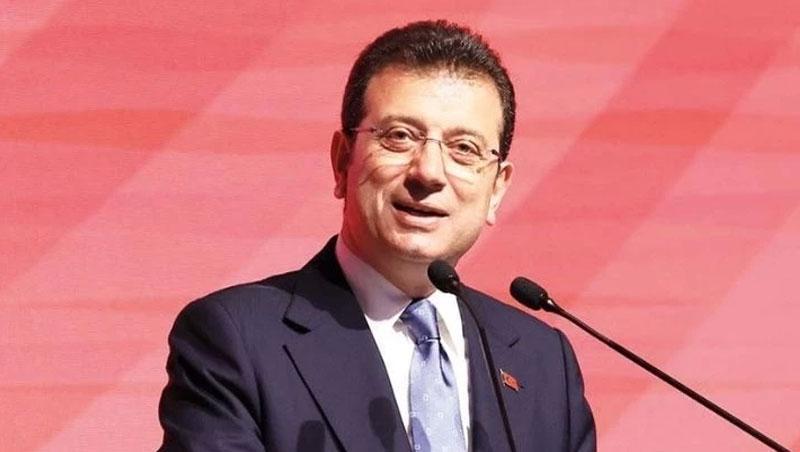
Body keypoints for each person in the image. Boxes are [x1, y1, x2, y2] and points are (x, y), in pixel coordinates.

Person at [158, 20, 596, 452]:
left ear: (497, 188)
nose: (429, 172)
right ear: (342, 161)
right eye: (399, 137)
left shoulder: (542, 362)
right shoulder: (237, 338)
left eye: (464, 148)